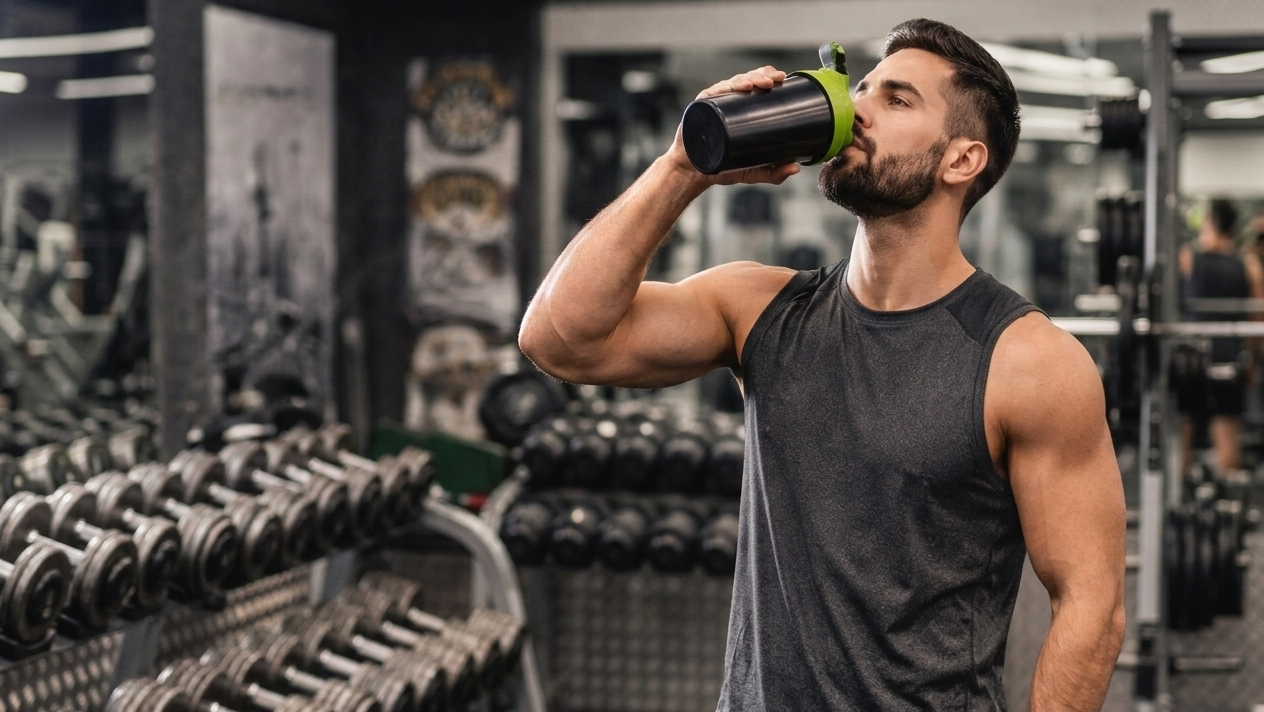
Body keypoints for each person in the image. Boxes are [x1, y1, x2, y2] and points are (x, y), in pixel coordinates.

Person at [520, 18, 1125, 711]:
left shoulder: (1027, 361)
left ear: (962, 160)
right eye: (861, 88)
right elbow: (559, 339)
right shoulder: (759, 308)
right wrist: (682, 168)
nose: (858, 108)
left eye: (897, 101)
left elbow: (1090, 605)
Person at [1179, 199, 1264, 474]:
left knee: (1182, 433)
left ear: (1212, 222)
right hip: (1228, 351)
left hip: (1193, 354)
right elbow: (1257, 319)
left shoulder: (1189, 258)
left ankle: (1175, 501)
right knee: (1226, 434)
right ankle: (1229, 504)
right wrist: (1251, 362)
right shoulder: (1249, 264)